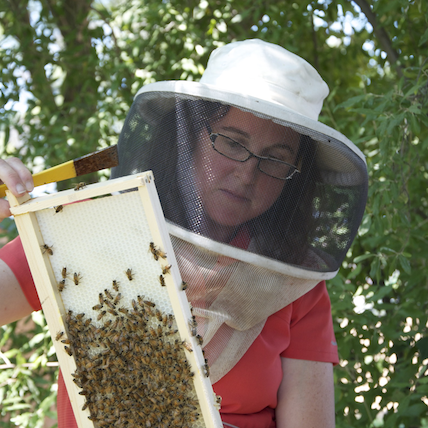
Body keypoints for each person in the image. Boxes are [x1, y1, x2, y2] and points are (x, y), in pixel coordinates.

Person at [0, 39, 368, 428]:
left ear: (295, 178)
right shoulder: (87, 225)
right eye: (231, 142)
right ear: (189, 135)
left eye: (276, 159)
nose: (246, 174)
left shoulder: (298, 285)